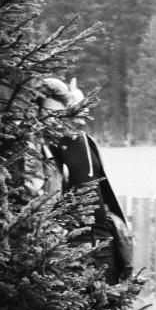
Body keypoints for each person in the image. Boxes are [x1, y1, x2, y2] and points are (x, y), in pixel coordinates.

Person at [28, 77, 133, 284]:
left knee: (110, 302)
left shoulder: (84, 141)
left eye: (61, 113)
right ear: (38, 114)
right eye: (49, 113)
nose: (56, 120)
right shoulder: (39, 150)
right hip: (68, 247)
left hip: (103, 243)